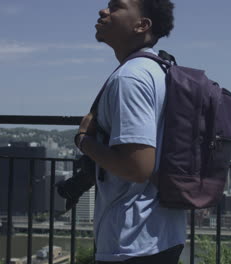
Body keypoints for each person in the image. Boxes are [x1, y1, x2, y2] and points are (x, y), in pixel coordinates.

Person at [74, 0, 185, 263]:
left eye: (116, 7)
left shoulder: (131, 77)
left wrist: (84, 140)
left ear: (141, 25)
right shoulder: (161, 68)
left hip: (132, 240)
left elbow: (137, 168)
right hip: (164, 232)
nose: (103, 11)